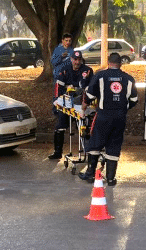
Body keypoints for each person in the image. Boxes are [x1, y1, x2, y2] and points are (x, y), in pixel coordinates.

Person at [78, 52, 138, 186]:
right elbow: (134, 100)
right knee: (114, 145)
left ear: (108, 62)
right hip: (120, 118)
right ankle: (111, 178)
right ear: (120, 64)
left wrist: (84, 104)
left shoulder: (100, 76)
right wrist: (124, 108)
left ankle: (90, 174)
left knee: (95, 143)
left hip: (103, 116)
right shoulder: (128, 79)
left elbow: (90, 94)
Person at [48, 50, 94, 159]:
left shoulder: (88, 70)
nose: (77, 62)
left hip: (83, 104)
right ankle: (57, 152)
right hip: (67, 104)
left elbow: (92, 88)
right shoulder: (64, 70)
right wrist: (56, 100)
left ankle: (90, 153)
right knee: (60, 127)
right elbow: (58, 87)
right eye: (75, 59)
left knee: (85, 128)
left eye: (79, 60)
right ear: (71, 59)